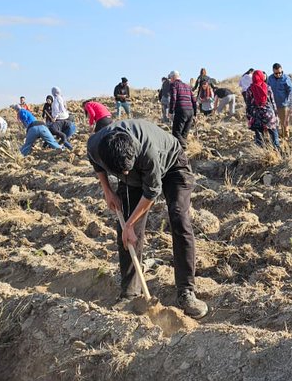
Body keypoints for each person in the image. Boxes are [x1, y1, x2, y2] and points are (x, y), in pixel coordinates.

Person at [85, 119, 209, 318]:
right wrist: (107, 190)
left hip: (172, 165)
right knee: (125, 230)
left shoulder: (148, 151)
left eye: (126, 170)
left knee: (179, 218)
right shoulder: (95, 145)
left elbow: (151, 192)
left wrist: (130, 224)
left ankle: (186, 292)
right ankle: (130, 294)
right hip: (133, 177)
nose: (124, 173)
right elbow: (95, 162)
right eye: (120, 172)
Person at [243, 70, 280, 148]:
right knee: (273, 133)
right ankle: (278, 151)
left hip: (256, 115)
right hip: (269, 114)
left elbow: (248, 105)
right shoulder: (267, 87)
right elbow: (273, 102)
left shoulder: (249, 89)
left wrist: (249, 117)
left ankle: (261, 153)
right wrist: (276, 115)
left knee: (259, 138)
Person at [167, 71, 196, 145]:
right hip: (190, 112)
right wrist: (195, 114)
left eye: (170, 78)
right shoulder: (187, 86)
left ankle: (184, 147)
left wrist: (170, 112)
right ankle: (182, 152)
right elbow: (194, 100)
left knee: (176, 133)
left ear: (173, 77)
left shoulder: (174, 85)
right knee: (183, 135)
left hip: (181, 110)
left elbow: (173, 98)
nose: (170, 80)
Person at [268, 64, 292, 138]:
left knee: (284, 122)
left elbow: (290, 91)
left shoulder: (286, 78)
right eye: (276, 73)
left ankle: (285, 136)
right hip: (272, 105)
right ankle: (275, 136)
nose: (278, 74)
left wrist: (290, 103)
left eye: (280, 72)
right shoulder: (270, 78)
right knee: (274, 122)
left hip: (283, 105)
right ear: (273, 71)